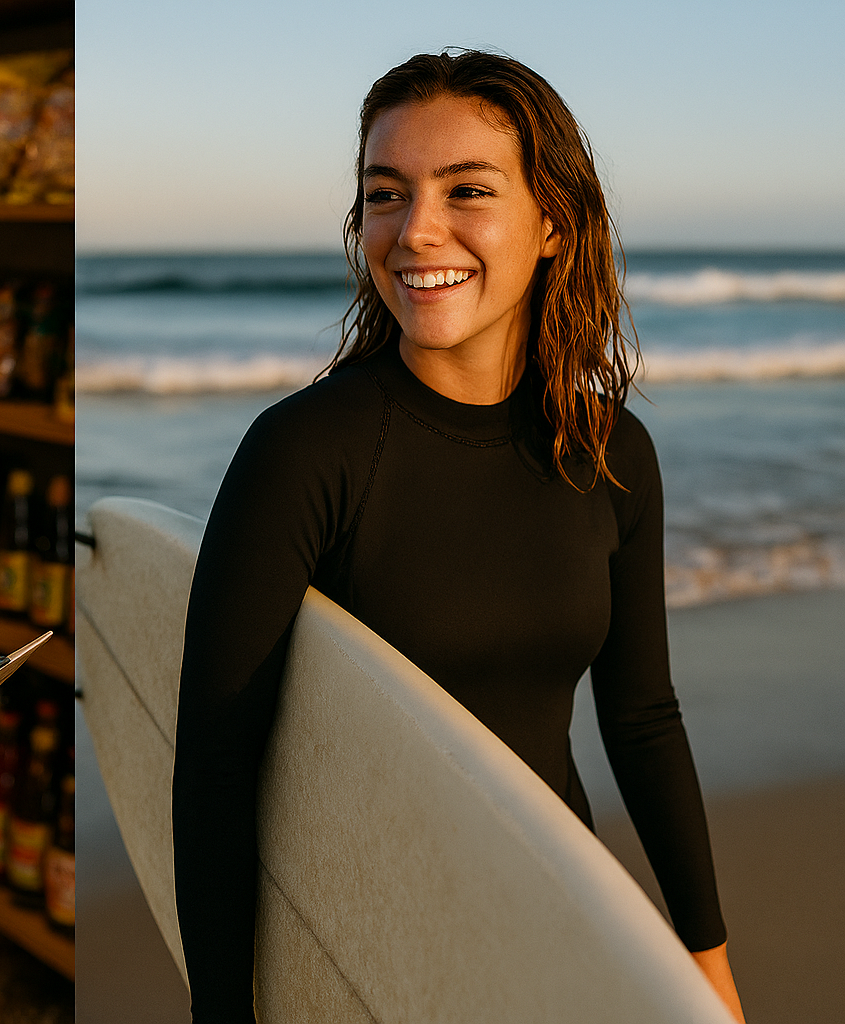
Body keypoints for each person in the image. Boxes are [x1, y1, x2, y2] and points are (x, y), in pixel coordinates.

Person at [172, 50, 745, 1023]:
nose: (415, 231)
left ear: (553, 223)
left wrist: (708, 965)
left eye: (466, 189)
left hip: (549, 923)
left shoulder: (610, 452)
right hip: (368, 945)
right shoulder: (308, 451)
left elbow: (642, 717)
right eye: (385, 194)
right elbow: (217, 767)